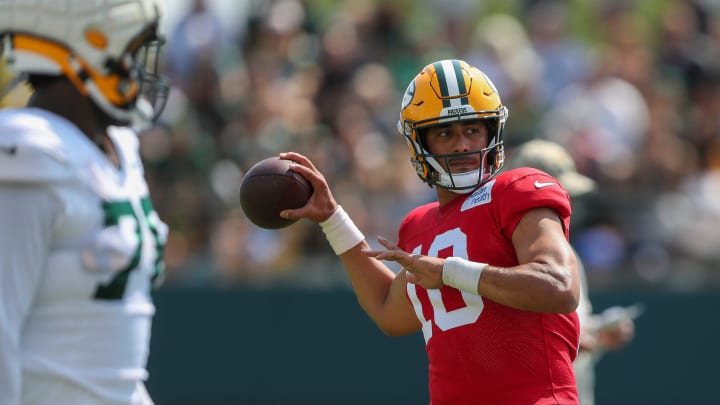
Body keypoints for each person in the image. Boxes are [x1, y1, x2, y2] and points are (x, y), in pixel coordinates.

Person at [280, 59, 582, 404]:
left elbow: (559, 285)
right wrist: (332, 219)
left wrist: (450, 272)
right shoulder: (419, 224)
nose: (462, 145)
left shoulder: (517, 188)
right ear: (419, 142)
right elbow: (388, 312)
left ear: (492, 131)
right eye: (444, 133)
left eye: (472, 129)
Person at [0, 1, 170, 404]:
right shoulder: (25, 150)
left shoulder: (119, 150)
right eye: (129, 53)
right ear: (88, 48)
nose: (138, 70)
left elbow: (112, 354)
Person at [506, 139, 637, 405]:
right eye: (557, 194)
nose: (567, 204)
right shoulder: (504, 255)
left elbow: (572, 333)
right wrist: (577, 342)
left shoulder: (567, 253)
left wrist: (596, 335)